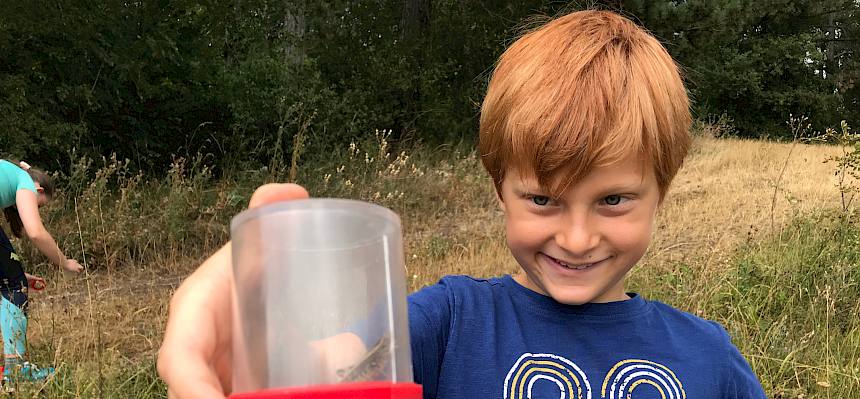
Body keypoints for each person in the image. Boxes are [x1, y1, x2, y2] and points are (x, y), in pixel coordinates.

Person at [158, 10, 767, 398]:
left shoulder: (708, 357)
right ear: (498, 189)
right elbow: (332, 366)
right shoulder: (446, 324)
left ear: (663, 190)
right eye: (542, 199)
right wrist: (260, 347)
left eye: (613, 199)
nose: (577, 238)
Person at [0, 159, 83, 382]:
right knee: (14, 286)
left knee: (12, 281)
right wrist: (65, 263)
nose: (35, 208)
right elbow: (36, 232)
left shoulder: (9, 175)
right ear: (38, 189)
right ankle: (16, 371)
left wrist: (15, 273)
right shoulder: (25, 182)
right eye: (39, 205)